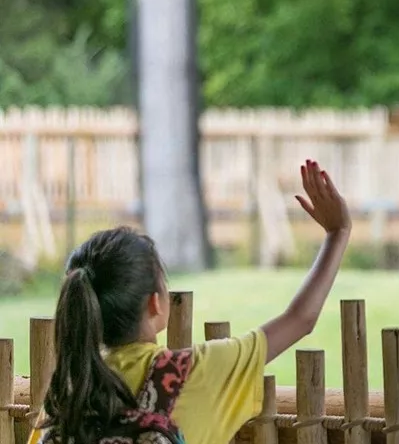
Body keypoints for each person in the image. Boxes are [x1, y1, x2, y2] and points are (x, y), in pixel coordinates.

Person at [27, 159, 351, 444]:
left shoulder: (68, 397)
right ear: (155, 304)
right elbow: (300, 319)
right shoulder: (200, 372)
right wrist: (337, 232)